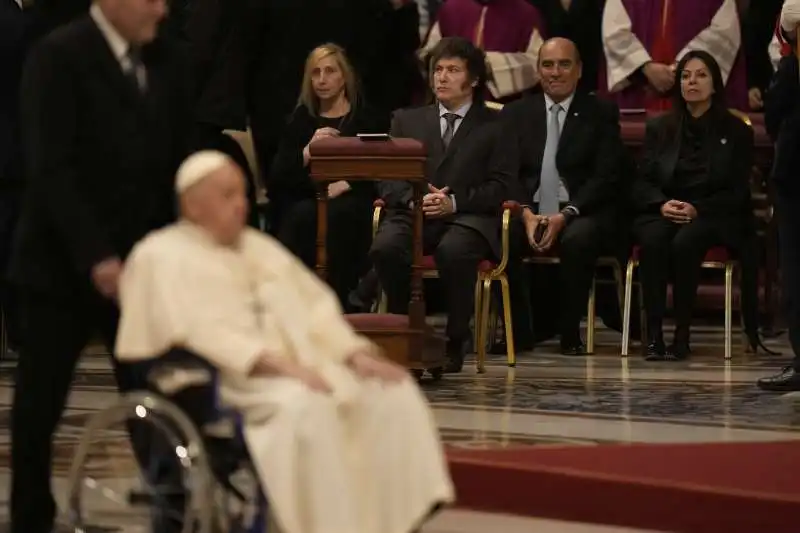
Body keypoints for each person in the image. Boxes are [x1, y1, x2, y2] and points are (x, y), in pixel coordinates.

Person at [116, 150, 455, 533]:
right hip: (235, 383)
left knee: (391, 392)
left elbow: (315, 309)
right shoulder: (161, 255)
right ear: (193, 205)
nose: (241, 205)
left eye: (242, 194)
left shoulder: (257, 247)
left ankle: (391, 521)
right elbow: (202, 333)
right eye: (227, 196)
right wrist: (283, 368)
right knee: (309, 409)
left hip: (307, 367)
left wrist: (356, 355)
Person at [8, 0, 192, 531]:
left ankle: (173, 512)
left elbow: (178, 162)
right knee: (38, 409)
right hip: (58, 266)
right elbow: (51, 169)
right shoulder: (57, 56)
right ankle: (29, 518)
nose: (163, 10)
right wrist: (98, 257)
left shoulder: (168, 62)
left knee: (156, 398)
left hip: (141, 268)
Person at [370, 37, 513, 373]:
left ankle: (454, 340)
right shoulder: (406, 120)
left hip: (467, 217)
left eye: (453, 70)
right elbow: (387, 177)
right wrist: (412, 199)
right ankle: (410, 334)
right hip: (412, 212)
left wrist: (454, 202)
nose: (442, 77)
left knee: (454, 251)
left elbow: (502, 186)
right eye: (438, 70)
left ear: (474, 79)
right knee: (385, 247)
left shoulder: (497, 125)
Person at [631, 50, 761, 361]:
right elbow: (641, 181)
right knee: (652, 239)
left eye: (701, 75)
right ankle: (654, 335)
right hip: (669, 208)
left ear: (715, 84)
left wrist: (697, 209)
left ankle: (682, 333)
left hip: (715, 212)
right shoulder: (660, 127)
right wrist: (662, 205)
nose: (692, 82)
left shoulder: (736, 130)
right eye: (686, 76)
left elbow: (737, 191)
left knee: (686, 241)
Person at [501, 37, 625, 355]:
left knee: (578, 238)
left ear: (579, 70)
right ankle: (519, 333)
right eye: (547, 64)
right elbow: (506, 172)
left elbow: (607, 176)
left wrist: (566, 213)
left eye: (564, 64)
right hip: (529, 208)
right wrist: (525, 213)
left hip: (582, 210)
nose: (555, 72)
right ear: (538, 69)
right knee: (502, 233)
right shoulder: (515, 114)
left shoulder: (600, 112)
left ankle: (570, 333)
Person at [269, 44, 387, 307]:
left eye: (329, 71)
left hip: (356, 200)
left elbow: (381, 169)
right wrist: (307, 151)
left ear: (344, 77)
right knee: (302, 216)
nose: (322, 80)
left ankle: (340, 299)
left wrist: (349, 183)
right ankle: (291, 300)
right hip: (308, 199)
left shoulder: (366, 118)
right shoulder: (301, 119)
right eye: (315, 73)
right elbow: (279, 176)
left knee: (338, 215)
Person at [600, 0, 748, 112]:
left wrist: (682, 69)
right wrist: (645, 67)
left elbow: (723, 34)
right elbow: (614, 33)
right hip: (640, 89)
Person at [758, 1, 800, 390]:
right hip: (794, 173)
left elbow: (776, 111)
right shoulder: (791, 64)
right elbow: (775, 111)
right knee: (795, 272)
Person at [420, 0, 546, 101]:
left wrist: (489, 64)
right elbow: (429, 54)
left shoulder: (525, 13)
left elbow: (539, 62)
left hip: (504, 107)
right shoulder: (451, 8)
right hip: (453, 104)